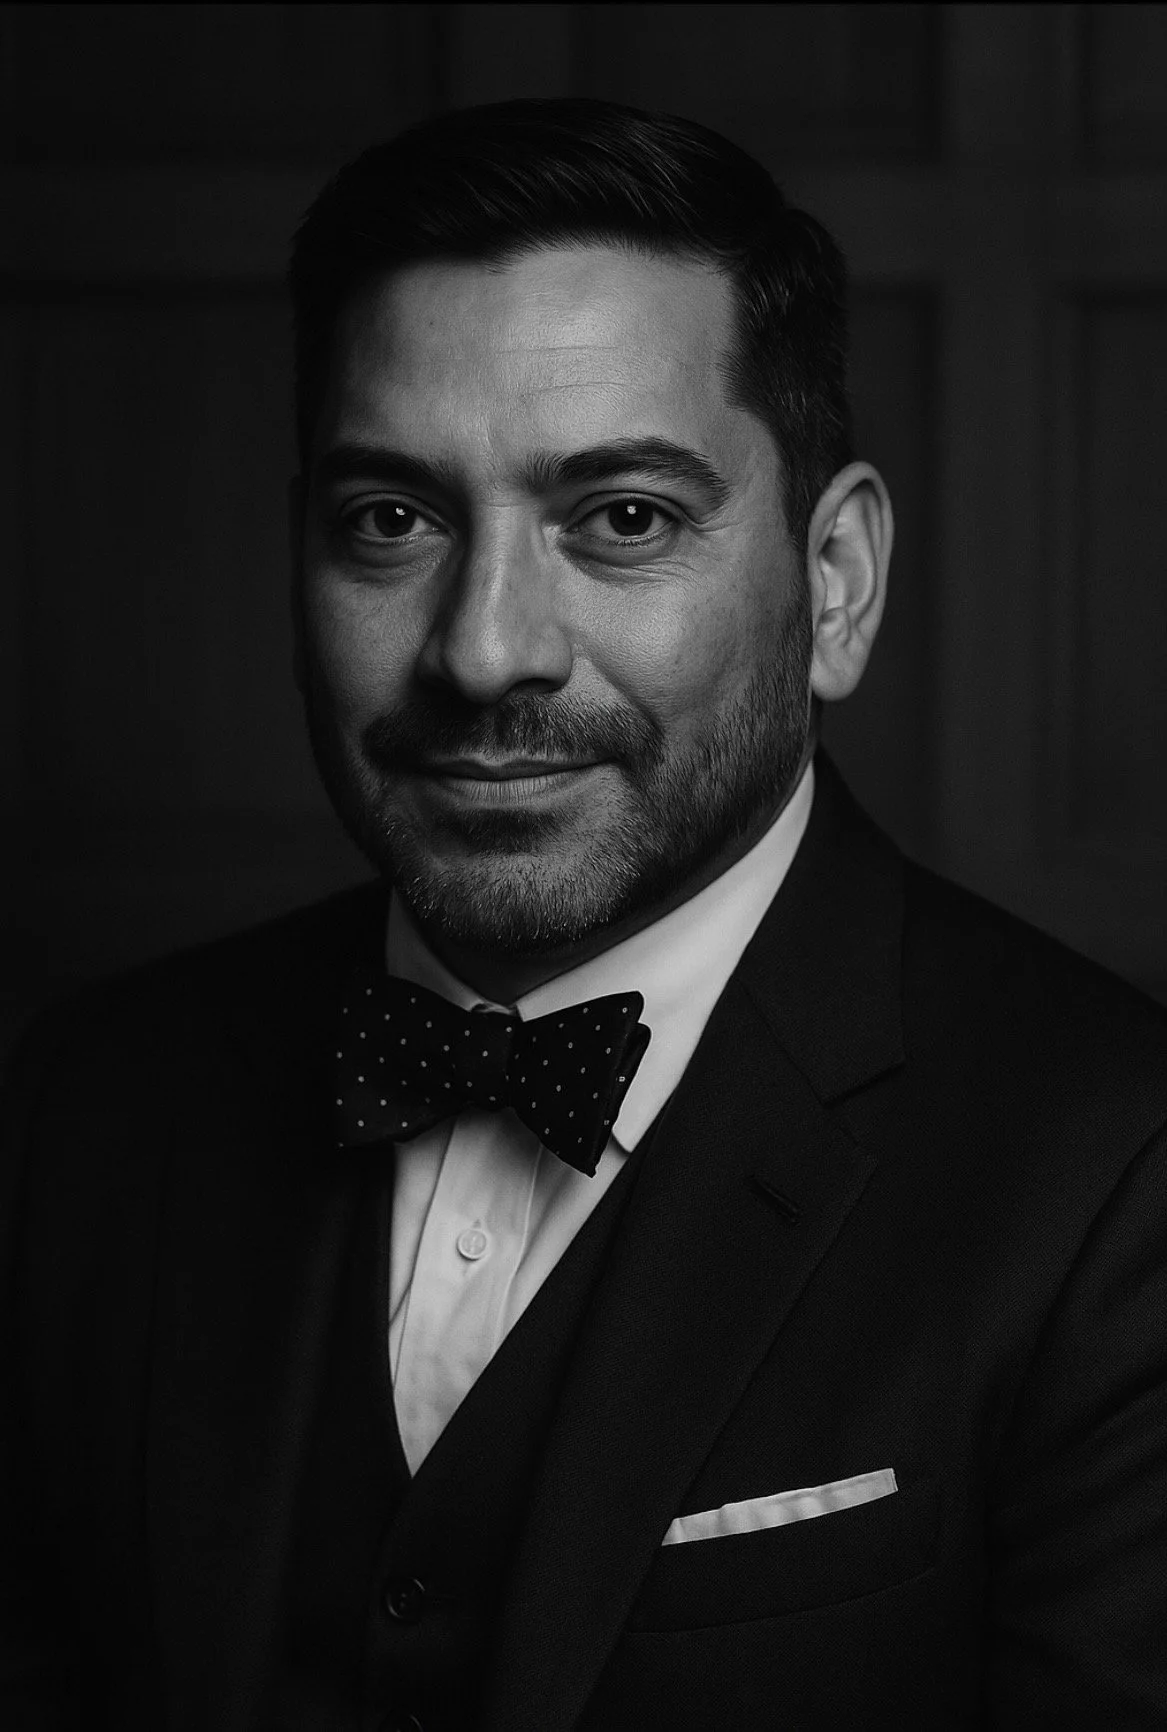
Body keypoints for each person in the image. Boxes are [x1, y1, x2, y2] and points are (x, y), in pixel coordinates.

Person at [3, 97, 1166, 1732]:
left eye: (623, 519)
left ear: (834, 582)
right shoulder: (79, 1112)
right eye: (391, 520)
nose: (484, 650)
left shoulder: (1115, 1173)